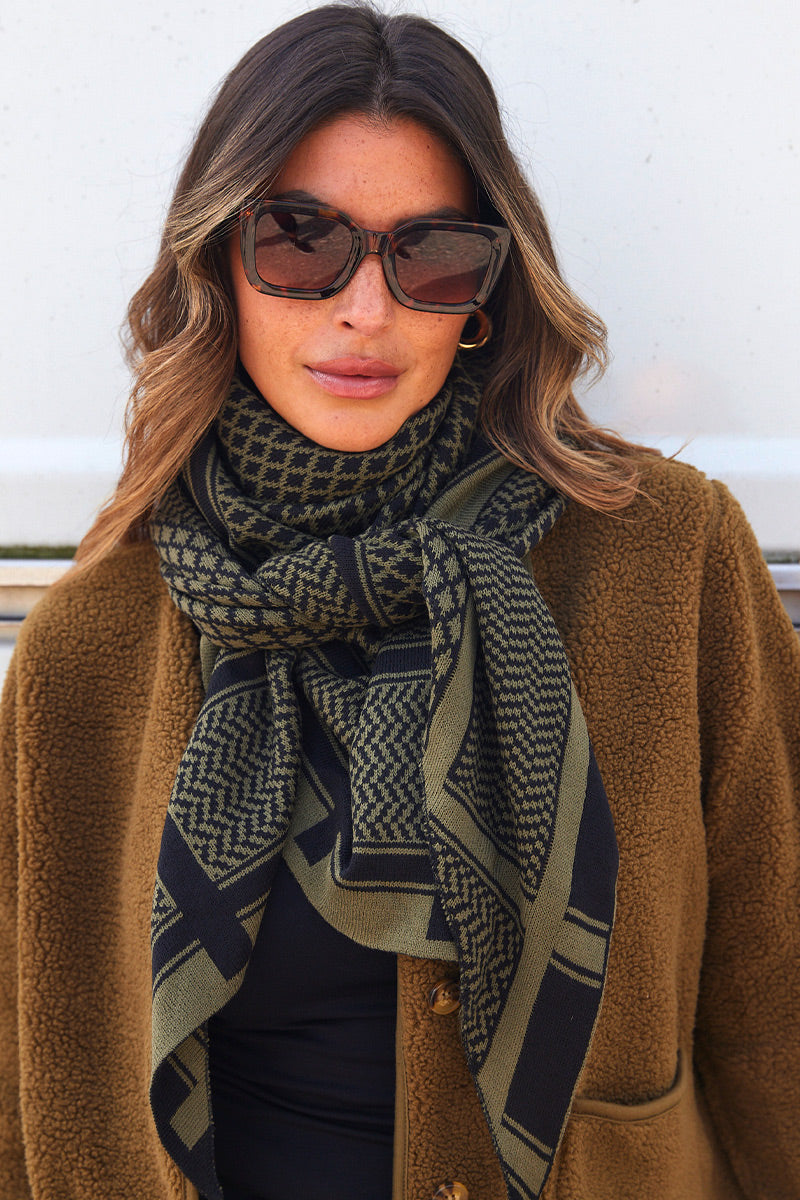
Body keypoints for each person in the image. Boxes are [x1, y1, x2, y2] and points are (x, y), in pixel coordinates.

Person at [1, 4, 798, 1199]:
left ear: (483, 291)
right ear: (219, 262)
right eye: (299, 241)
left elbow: (776, 994)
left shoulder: (666, 558)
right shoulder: (89, 642)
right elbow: (24, 1081)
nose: (365, 310)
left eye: (429, 254)